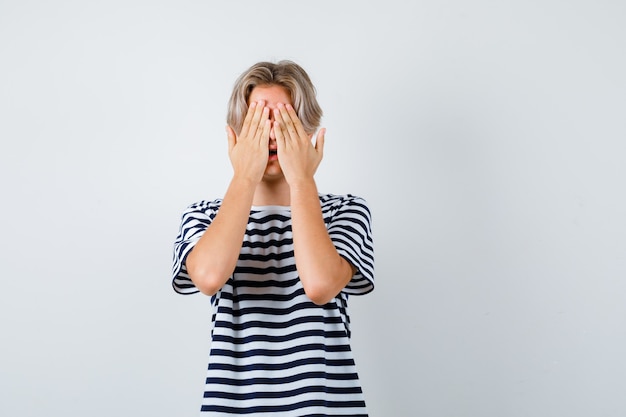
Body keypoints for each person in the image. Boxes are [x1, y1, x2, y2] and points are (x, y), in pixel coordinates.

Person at [172, 60, 375, 416]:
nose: (269, 134)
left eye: (283, 120)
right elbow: (208, 277)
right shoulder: (203, 216)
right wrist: (244, 177)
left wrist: (301, 179)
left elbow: (320, 285)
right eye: (256, 121)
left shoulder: (345, 212)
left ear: (307, 129)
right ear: (236, 131)